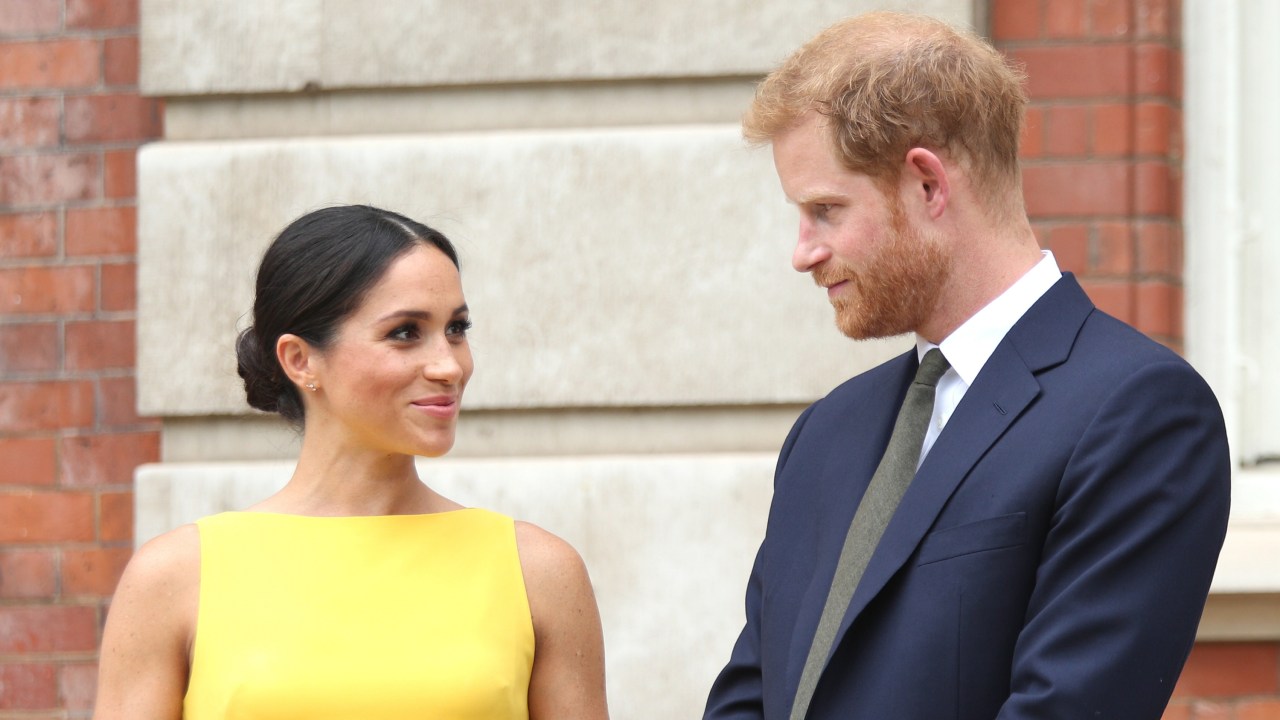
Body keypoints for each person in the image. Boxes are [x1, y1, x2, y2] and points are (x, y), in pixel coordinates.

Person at [704, 11, 1230, 720]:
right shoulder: (825, 435)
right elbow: (747, 699)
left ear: (927, 184)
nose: (803, 251)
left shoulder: (1137, 413)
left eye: (825, 209)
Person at [95, 205, 610, 719]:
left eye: (457, 328)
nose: (449, 365)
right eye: (406, 332)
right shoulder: (175, 577)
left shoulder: (538, 572)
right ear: (300, 360)